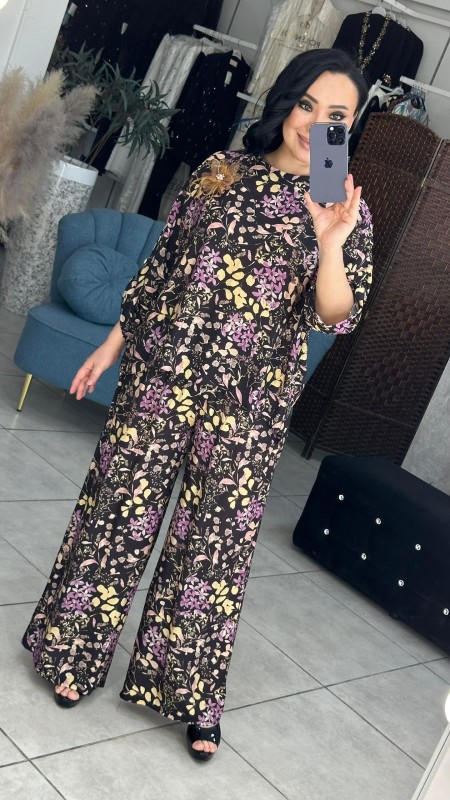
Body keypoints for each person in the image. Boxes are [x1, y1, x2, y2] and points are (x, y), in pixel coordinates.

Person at [22, 48, 373, 762]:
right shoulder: (220, 170)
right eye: (307, 104)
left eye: (336, 115)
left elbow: (335, 315)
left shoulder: (344, 208)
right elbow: (163, 270)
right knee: (116, 518)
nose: (315, 124)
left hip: (248, 407)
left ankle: (190, 696)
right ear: (286, 101)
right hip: (160, 379)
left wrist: (330, 242)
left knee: (212, 552)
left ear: (351, 125)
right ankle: (72, 651)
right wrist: (111, 346)